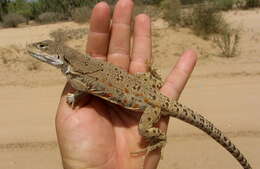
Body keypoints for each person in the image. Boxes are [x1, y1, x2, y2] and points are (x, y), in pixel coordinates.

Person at [55, 0, 197, 169]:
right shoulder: (78, 69)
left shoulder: (77, 76)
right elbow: (88, 87)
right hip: (149, 93)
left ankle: (159, 138)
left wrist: (74, 95)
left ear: (59, 56)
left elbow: (84, 88)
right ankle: (153, 79)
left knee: (144, 130)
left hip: (154, 104)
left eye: (42, 47)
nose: (37, 49)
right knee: (141, 75)